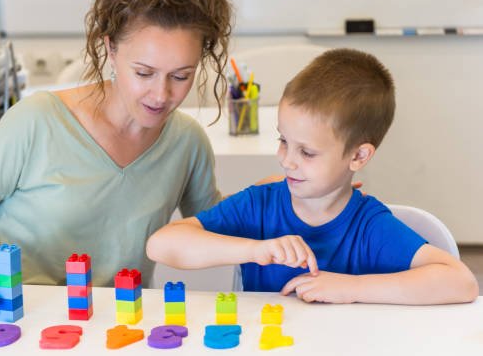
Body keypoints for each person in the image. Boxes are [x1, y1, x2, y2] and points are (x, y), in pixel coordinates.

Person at [0, 0, 232, 323]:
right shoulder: (36, 122)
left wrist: (283, 199)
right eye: (144, 73)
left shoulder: (187, 142)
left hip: (118, 327)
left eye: (181, 76)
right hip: (20, 323)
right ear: (109, 48)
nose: (161, 94)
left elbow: (214, 223)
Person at [147, 48, 479, 304]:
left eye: (306, 152)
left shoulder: (368, 225)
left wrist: (350, 288)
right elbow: (161, 245)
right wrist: (254, 250)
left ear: (358, 156)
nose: (287, 161)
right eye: (283, 141)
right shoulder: (260, 205)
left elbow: (460, 282)